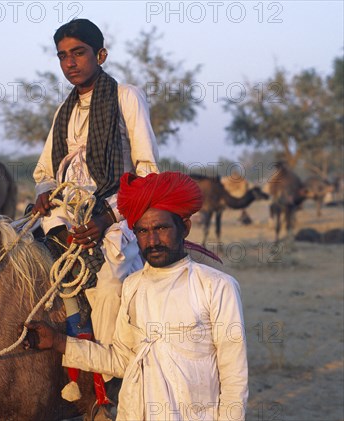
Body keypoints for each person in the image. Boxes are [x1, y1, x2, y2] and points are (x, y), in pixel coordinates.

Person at [25, 172, 249, 421]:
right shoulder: (132, 286)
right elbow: (123, 359)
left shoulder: (217, 286)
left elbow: (234, 377)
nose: (152, 240)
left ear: (184, 227)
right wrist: (59, 342)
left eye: (161, 228)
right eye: (142, 231)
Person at [31, 18, 159, 385]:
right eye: (62, 56)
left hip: (113, 217)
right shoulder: (64, 109)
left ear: (100, 54)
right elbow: (44, 172)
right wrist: (43, 195)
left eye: (78, 53)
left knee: (110, 288)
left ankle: (109, 384)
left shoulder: (126, 96)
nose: (70, 62)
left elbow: (148, 171)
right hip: (62, 214)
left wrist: (106, 217)